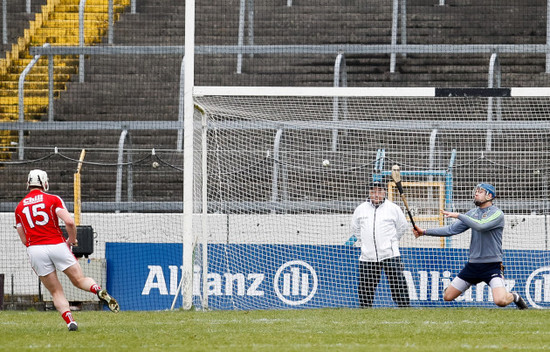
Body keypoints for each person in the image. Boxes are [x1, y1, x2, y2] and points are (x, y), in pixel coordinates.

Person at [15, 169, 120, 331]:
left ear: (28, 183)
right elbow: (69, 222)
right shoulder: (53, 199)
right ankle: (98, 291)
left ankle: (70, 321)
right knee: (79, 280)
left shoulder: (19, 207)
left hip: (35, 249)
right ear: (44, 182)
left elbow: (23, 239)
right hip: (57, 245)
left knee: (56, 291)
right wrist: (72, 239)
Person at [413, 183, 528, 309]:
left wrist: (458, 215)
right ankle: (458, 285)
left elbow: (481, 225)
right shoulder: (472, 213)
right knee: (447, 296)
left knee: (500, 301)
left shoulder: (497, 214)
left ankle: (515, 296)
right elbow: (451, 230)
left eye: (480, 192)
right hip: (472, 266)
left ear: (489, 196)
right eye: (476, 191)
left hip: (492, 266)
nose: (476, 193)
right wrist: (424, 232)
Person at [349, 179, 411, 308]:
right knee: (366, 287)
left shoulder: (393, 208)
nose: (376, 194)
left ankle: (405, 308)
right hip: (367, 256)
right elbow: (355, 229)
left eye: (379, 191)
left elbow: (402, 227)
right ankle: (365, 311)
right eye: (373, 191)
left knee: (398, 284)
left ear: (384, 192)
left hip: (390, 254)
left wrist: (392, 241)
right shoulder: (360, 209)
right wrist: (366, 243)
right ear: (369, 192)